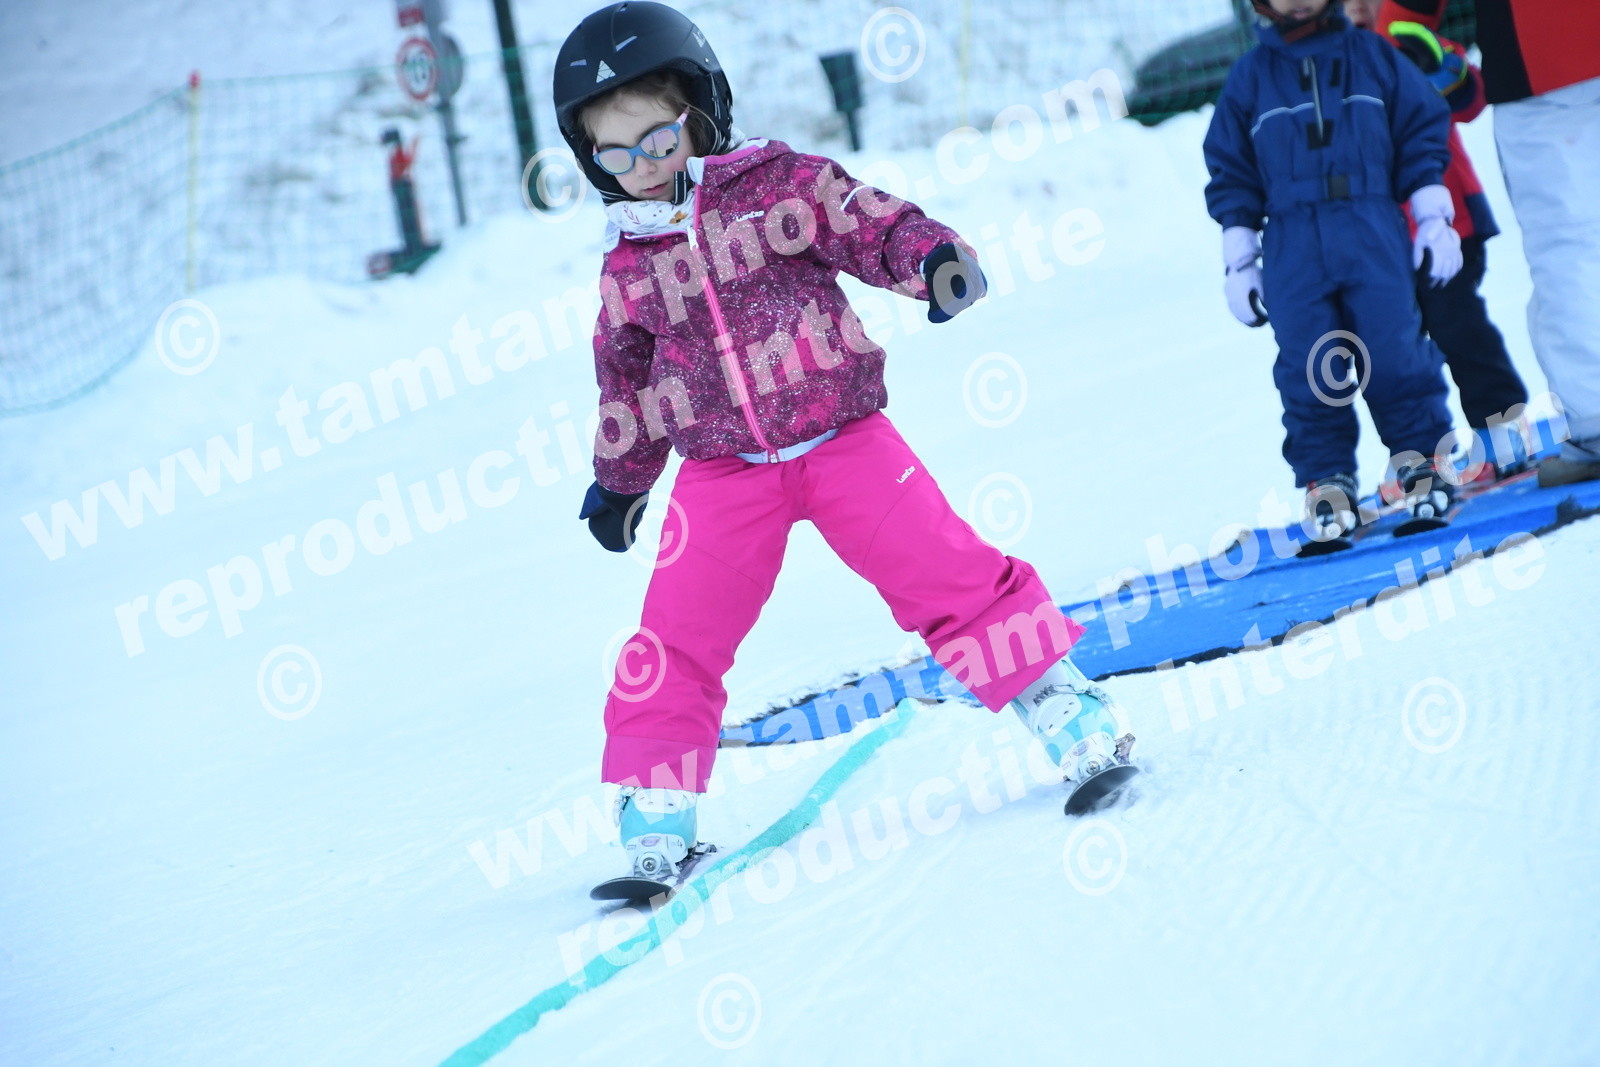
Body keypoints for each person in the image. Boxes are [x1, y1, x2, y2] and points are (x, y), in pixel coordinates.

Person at [553, 2, 1135, 884]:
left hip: (844, 439)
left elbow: (867, 222)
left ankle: (1066, 708)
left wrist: (932, 259)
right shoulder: (628, 264)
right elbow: (626, 383)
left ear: (702, 112)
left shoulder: (776, 187)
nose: (642, 167)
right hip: (722, 474)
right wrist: (623, 480)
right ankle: (656, 811)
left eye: (658, 139)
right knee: (675, 635)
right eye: (616, 154)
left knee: (949, 574)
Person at [1204, 0, 1464, 544]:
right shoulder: (1251, 77)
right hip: (1292, 240)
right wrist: (1239, 255)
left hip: (1371, 226)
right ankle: (1328, 482)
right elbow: (1231, 166)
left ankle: (1422, 464)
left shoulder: (1373, 56)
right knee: (1309, 364)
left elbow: (1419, 128)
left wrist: (1431, 212)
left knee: (1393, 351)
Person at [1344, 0, 1531, 480]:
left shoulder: (1408, 39)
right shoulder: (1325, 68)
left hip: (1449, 224)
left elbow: (1471, 98)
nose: (1357, 6)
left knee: (1457, 325)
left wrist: (1440, 67)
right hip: (1377, 240)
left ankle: (1499, 428)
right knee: (1392, 350)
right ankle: (1417, 454)